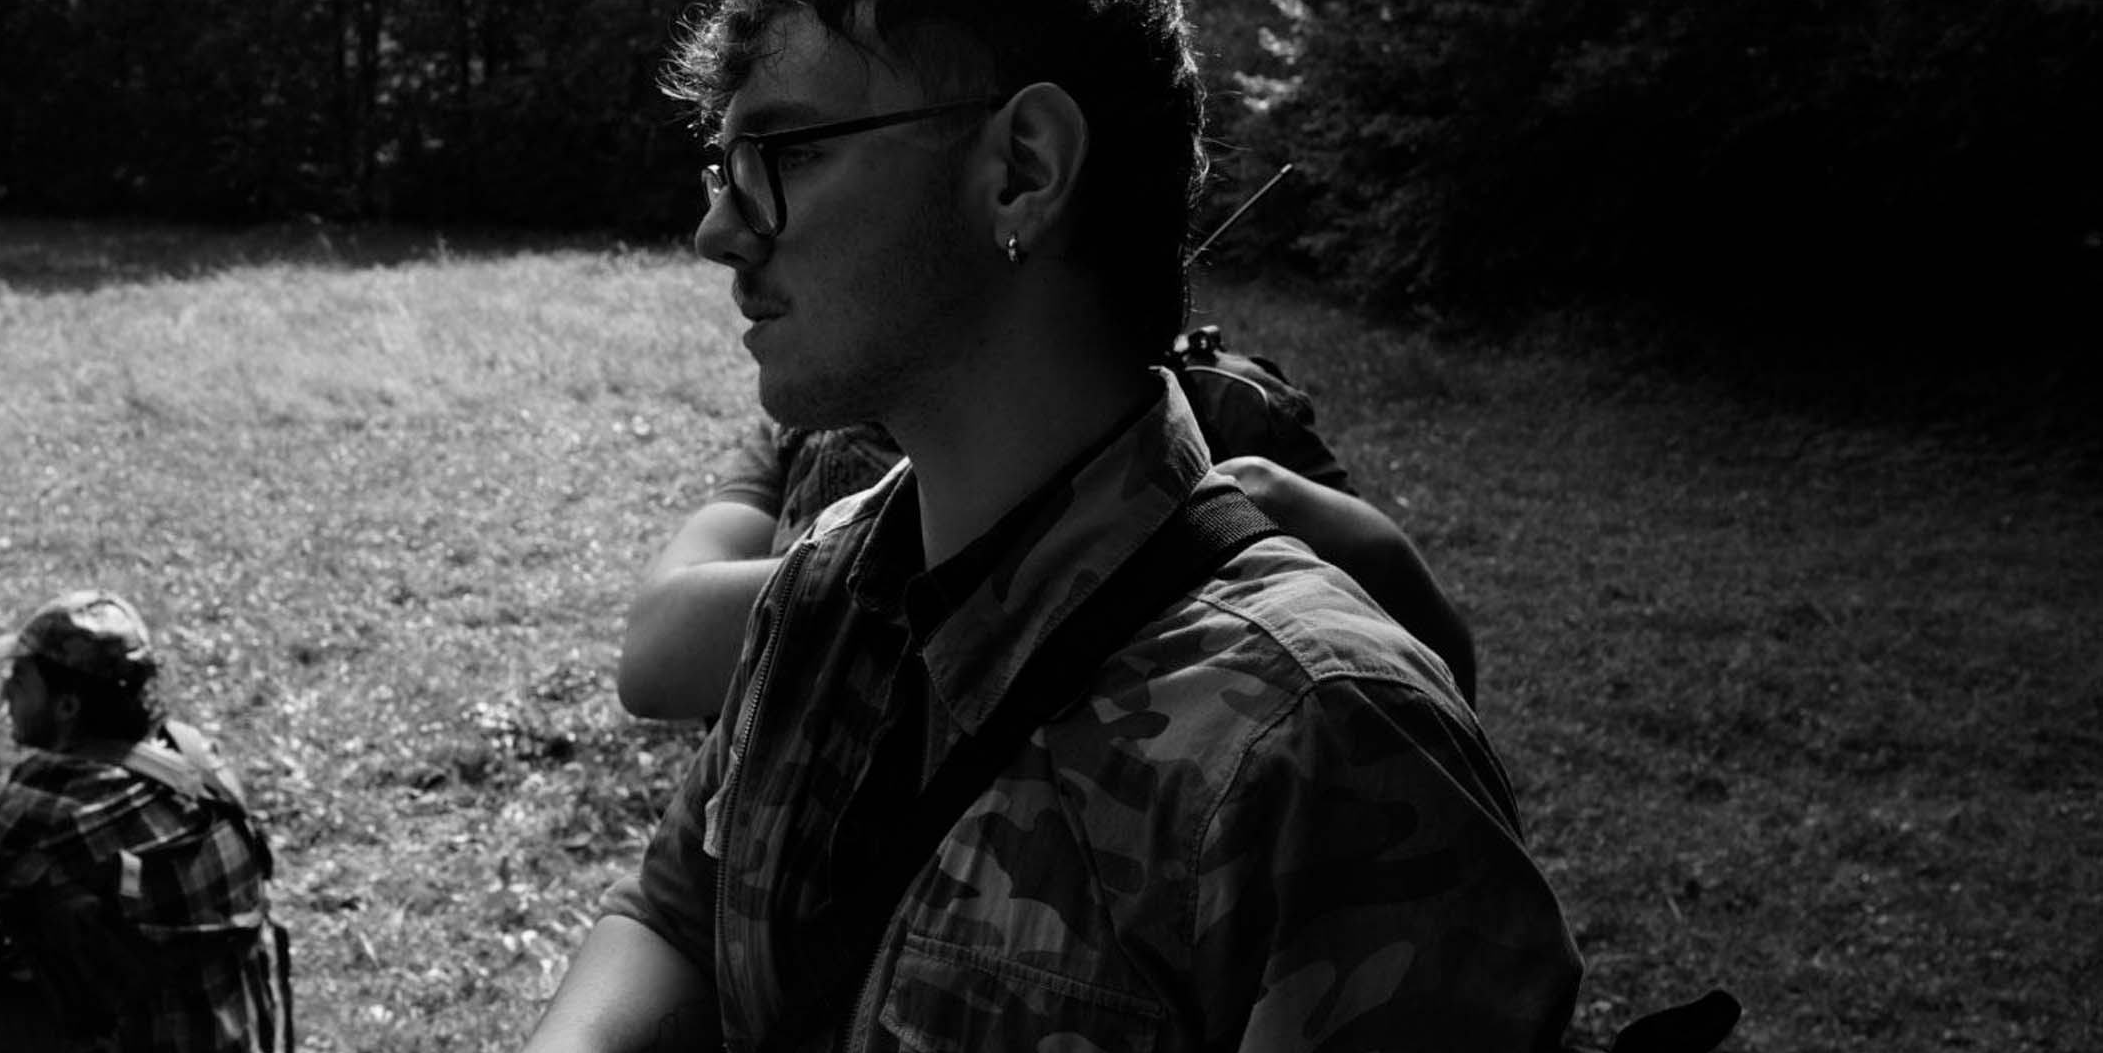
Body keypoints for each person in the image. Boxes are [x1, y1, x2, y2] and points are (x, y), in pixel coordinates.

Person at [486, 0, 1610, 1053]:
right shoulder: (824, 589)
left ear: (1022, 166)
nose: (720, 230)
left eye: (785, 151)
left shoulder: (1319, 745)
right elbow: (682, 903)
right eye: (725, 165)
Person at [616, 336, 1482, 722]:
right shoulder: (809, 431)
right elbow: (656, 657)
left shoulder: (1229, 409)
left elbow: (1431, 666)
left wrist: (1238, 509)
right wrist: (976, 539)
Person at [0, 589, 291, 1053]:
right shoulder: (196, 759)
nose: (4, 695)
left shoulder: (50, 796)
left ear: (68, 706)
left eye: (19, 680)